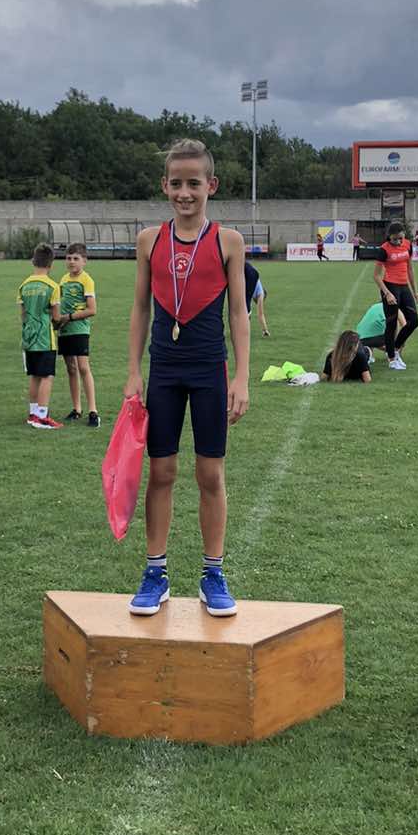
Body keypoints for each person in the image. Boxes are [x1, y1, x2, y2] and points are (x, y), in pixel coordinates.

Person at [125, 138, 249, 618]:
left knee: (210, 474)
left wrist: (241, 376)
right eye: (176, 183)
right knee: (160, 472)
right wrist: (133, 371)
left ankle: (212, 573)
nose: (184, 193)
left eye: (193, 183)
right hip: (164, 370)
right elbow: (139, 309)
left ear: (211, 185)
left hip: (209, 369)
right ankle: (155, 572)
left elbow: (238, 313)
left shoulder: (227, 241)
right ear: (164, 186)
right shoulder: (149, 240)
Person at [19, 244, 63, 429]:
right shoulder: (52, 286)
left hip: (29, 338)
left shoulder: (24, 285)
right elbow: (56, 317)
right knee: (47, 376)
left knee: (34, 375)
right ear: (51, 264)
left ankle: (33, 413)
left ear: (33, 261)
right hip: (45, 338)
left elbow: (23, 314)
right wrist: (59, 323)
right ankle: (42, 416)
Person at [57, 243, 99, 427]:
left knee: (83, 367)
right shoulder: (63, 280)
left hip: (80, 329)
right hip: (65, 330)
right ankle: (76, 409)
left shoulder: (86, 280)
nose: (71, 262)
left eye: (76, 258)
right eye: (68, 258)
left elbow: (92, 310)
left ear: (84, 261)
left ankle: (93, 411)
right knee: (71, 368)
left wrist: (69, 317)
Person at [373, 222, 418, 372]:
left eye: (401, 238)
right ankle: (392, 359)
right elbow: (376, 276)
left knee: (414, 321)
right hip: (390, 287)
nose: (398, 241)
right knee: (391, 324)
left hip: (404, 287)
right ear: (389, 237)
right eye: (395, 239)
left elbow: (410, 268)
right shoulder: (384, 249)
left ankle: (395, 348)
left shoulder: (407, 245)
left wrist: (415, 291)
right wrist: (387, 293)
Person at [243, 259, 271, 337]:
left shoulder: (253, 289)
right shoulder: (261, 295)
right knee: (247, 308)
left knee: (245, 305)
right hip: (251, 274)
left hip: (249, 270)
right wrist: (265, 330)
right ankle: (243, 330)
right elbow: (261, 314)